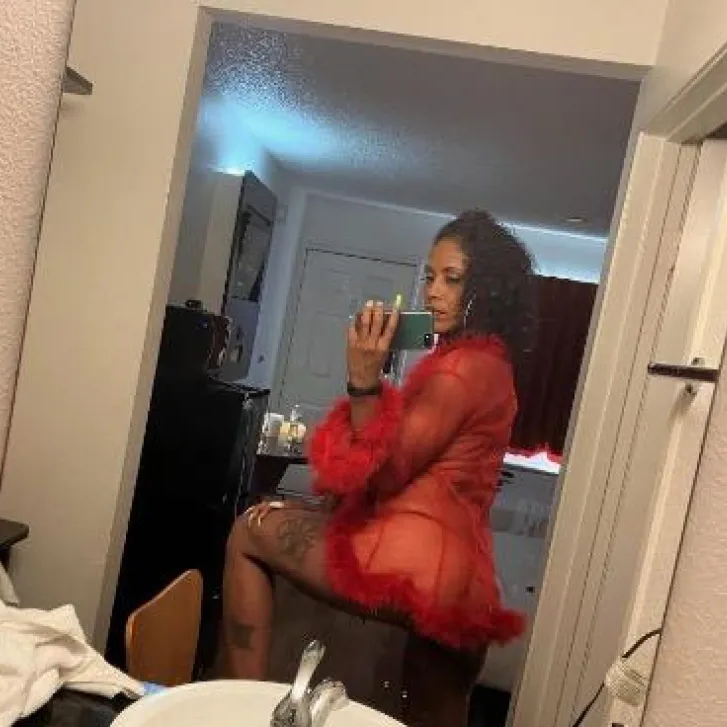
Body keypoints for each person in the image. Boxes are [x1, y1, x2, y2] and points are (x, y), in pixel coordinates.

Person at [221, 209, 535, 679]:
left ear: (486, 290)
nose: (432, 291)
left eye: (451, 279)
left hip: (409, 561)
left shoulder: (457, 370)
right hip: (459, 574)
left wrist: (364, 381)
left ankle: (240, 698)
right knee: (432, 713)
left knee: (248, 532)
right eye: (430, 276)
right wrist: (319, 510)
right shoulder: (492, 368)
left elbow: (383, 473)